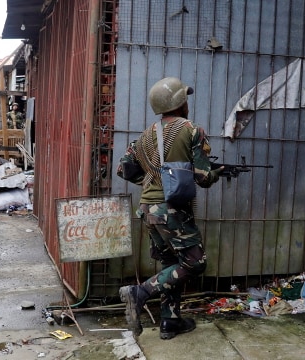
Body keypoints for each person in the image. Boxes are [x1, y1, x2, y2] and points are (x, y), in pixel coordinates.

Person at [116, 77, 223, 340]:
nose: (187, 103)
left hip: (148, 209)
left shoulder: (145, 136)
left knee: (171, 262)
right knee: (195, 263)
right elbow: (203, 177)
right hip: (172, 210)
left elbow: (123, 168)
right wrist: (216, 173)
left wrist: (150, 180)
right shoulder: (192, 130)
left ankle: (170, 322)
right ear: (180, 103)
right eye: (185, 98)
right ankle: (139, 292)